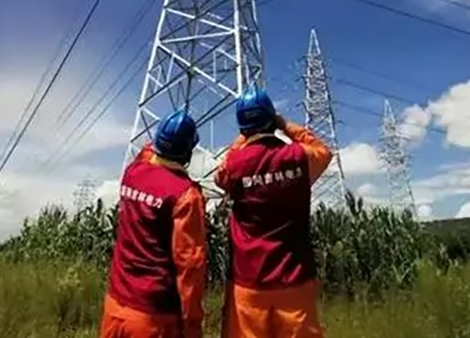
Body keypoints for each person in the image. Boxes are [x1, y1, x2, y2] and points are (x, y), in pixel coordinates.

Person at [214, 86, 333, 338]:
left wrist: (242, 139)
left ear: (242, 127)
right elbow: (323, 152)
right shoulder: (299, 157)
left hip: (249, 283)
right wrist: (285, 125)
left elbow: (220, 175)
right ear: (272, 119)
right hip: (295, 280)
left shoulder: (234, 165)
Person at [100, 110, 207, 338]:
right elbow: (190, 267)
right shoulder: (186, 195)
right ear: (188, 151)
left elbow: (147, 152)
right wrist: (192, 323)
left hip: (115, 308)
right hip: (154, 318)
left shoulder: (133, 172)